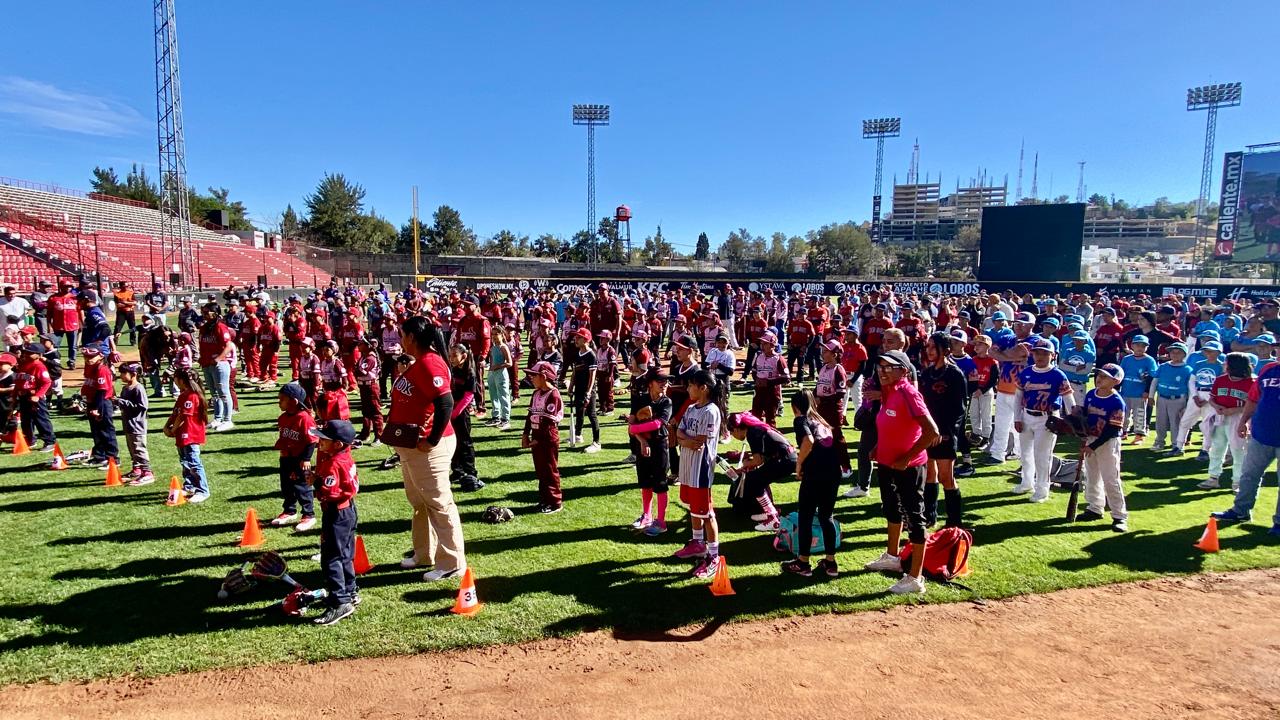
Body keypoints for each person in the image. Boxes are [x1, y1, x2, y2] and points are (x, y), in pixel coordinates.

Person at [387, 315, 466, 581]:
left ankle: (452, 563)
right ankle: (424, 553)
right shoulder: (419, 362)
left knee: (439, 503)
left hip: (430, 447)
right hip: (411, 446)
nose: (401, 339)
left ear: (411, 337)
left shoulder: (431, 363)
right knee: (420, 503)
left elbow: (445, 402)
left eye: (402, 335)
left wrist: (431, 440)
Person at [863, 349, 940, 596]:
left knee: (914, 518)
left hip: (909, 467)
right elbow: (890, 423)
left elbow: (932, 432)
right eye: (880, 366)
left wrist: (906, 458)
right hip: (887, 463)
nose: (882, 371)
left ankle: (915, 578)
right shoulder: (888, 391)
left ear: (904, 371)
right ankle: (892, 556)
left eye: (889, 367)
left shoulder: (909, 393)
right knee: (891, 509)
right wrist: (878, 446)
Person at [1212, 354, 1280, 536]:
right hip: (1261, 433)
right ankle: (1240, 511)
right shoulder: (1268, 370)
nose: (1278, 352)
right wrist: (1243, 421)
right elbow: (1253, 398)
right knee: (1249, 474)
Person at [782, 389, 841, 578]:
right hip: (833, 473)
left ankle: (803, 562)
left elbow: (808, 440)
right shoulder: (821, 421)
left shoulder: (801, 420)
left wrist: (799, 463)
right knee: (826, 516)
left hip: (816, 474)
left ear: (795, 406)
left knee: (805, 517)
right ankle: (830, 562)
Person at [672, 370, 724, 580]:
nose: (687, 389)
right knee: (694, 508)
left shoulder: (711, 411)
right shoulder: (691, 408)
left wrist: (683, 440)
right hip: (687, 466)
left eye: (691, 385)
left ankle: (714, 556)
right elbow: (679, 432)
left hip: (700, 469)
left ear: (703, 388)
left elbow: (700, 441)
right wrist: (685, 441)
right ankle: (697, 543)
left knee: (706, 513)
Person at [311, 419, 361, 626]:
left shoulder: (333, 463)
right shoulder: (345, 457)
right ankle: (350, 591)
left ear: (338, 444)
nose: (320, 441)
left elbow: (329, 493)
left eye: (324, 439)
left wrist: (315, 483)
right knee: (345, 555)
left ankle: (340, 602)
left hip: (336, 514)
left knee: (331, 558)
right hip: (348, 511)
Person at [1014, 337, 1076, 502]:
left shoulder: (1058, 375)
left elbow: (1068, 398)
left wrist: (1073, 419)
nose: (1040, 357)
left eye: (1044, 353)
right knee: (1025, 452)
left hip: (1047, 418)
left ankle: (1042, 490)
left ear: (1052, 355)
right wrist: (1017, 417)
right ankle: (1026, 482)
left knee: (1042, 455)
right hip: (1027, 415)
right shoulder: (1026, 372)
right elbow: (1018, 396)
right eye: (1037, 353)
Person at [919, 332, 967, 527]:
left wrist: (945, 433)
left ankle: (954, 521)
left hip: (945, 433)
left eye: (934, 347)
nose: (929, 350)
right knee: (930, 474)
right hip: (928, 432)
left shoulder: (954, 374)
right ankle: (929, 516)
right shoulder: (926, 373)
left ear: (945, 350)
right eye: (928, 346)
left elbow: (959, 409)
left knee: (946, 477)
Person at [1076, 363, 1129, 532]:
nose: (1099, 378)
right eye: (1099, 374)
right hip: (1091, 439)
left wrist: (1093, 446)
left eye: (1105, 376)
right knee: (1091, 475)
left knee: (1110, 479)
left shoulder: (1116, 402)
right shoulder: (1091, 394)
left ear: (1116, 381)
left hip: (1107, 442)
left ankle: (1119, 516)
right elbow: (1086, 415)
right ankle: (1095, 507)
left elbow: (1112, 429)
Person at [724, 411, 796, 530]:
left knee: (753, 482)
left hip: (784, 461)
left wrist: (746, 464)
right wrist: (743, 468)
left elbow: (758, 461)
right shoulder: (756, 429)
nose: (732, 435)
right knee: (756, 479)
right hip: (786, 458)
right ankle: (769, 512)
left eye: (731, 433)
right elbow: (760, 458)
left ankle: (772, 517)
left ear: (736, 429)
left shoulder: (753, 433)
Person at [626, 367, 673, 535]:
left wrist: (635, 429)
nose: (664, 383)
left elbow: (658, 424)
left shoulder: (666, 402)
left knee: (660, 483)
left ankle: (661, 521)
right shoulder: (640, 399)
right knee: (645, 481)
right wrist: (642, 440)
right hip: (643, 445)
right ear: (650, 383)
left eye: (666, 380)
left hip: (659, 445)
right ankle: (647, 516)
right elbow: (631, 423)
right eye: (660, 380)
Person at [1200, 352, 1254, 491]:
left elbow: (1254, 404)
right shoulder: (1220, 379)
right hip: (1220, 417)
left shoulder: (1252, 382)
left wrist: (1235, 410)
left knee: (1238, 450)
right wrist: (1216, 406)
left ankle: (1237, 482)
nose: (1224, 364)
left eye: (1226, 362)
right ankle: (1213, 477)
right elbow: (1212, 398)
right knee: (1217, 448)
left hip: (1240, 419)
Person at [271, 382, 318, 532]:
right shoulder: (283, 418)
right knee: (286, 485)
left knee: (302, 486)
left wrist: (306, 458)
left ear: (294, 401)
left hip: (300, 459)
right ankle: (289, 511)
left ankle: (308, 514)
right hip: (286, 458)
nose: (279, 402)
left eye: (282, 399)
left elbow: (312, 441)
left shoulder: (305, 419)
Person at [521, 361, 564, 512]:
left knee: (549, 469)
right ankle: (544, 499)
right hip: (536, 435)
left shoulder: (553, 395)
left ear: (544, 376)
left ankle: (555, 502)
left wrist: (538, 440)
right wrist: (525, 434)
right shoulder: (536, 393)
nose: (531, 378)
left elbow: (548, 422)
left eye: (534, 375)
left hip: (548, 436)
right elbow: (530, 415)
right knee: (540, 470)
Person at [1171, 340, 1224, 457]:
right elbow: (1192, 381)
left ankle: (1205, 449)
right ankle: (1179, 446)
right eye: (1206, 351)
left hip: (1211, 396)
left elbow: (1220, 385)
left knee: (1208, 425)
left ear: (1218, 353)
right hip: (1197, 393)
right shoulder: (1199, 364)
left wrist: (1208, 399)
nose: (1208, 353)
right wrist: (1195, 396)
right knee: (1185, 421)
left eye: (1211, 351)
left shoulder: (1221, 366)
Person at [165, 368, 209, 502]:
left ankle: (202, 491)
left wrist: (173, 430)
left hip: (190, 435)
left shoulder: (192, 396)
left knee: (193, 462)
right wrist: (167, 426)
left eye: (175, 378)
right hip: (182, 434)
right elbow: (176, 413)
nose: (174, 381)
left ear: (181, 380)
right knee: (185, 461)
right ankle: (190, 486)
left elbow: (183, 416)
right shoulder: (183, 395)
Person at [448, 345, 483, 492]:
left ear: (464, 356)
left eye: (454, 355)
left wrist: (455, 412)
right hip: (451, 411)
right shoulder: (453, 370)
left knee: (465, 443)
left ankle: (470, 472)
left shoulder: (470, 373)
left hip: (461, 414)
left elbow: (468, 396)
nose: (451, 358)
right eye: (450, 355)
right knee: (453, 443)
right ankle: (457, 470)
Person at [112, 362, 153, 485]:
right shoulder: (125, 388)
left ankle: (147, 472)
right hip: (128, 424)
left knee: (139, 449)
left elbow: (142, 406)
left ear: (133, 374)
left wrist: (121, 402)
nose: (121, 375)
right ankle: (137, 469)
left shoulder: (138, 388)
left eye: (124, 373)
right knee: (132, 448)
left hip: (137, 425)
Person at [198, 303, 235, 431]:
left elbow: (229, 346)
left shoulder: (220, 327)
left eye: (207, 312)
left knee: (223, 392)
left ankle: (227, 420)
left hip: (220, 364)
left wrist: (218, 359)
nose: (204, 314)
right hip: (206, 364)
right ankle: (217, 418)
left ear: (215, 313)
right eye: (203, 312)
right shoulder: (204, 328)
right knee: (214, 393)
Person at [79, 346, 118, 469]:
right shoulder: (90, 367)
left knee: (106, 431)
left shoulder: (102, 370)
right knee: (96, 432)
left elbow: (102, 391)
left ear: (100, 356)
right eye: (86, 357)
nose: (88, 359)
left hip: (102, 403)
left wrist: (97, 409)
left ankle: (113, 459)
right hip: (92, 403)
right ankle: (100, 456)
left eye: (91, 357)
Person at [14, 343, 56, 452]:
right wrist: (15, 394)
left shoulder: (39, 366)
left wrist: (38, 395)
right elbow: (19, 382)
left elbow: (47, 382)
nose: (26, 354)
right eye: (26, 352)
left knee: (41, 419)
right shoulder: (23, 364)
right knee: (25, 420)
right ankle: (30, 440)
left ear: (39, 355)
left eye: (30, 353)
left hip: (35, 397)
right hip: (23, 396)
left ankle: (49, 442)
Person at [1151, 342, 1192, 452]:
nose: (1175, 354)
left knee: (1176, 423)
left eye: (1178, 352)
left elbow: (1190, 388)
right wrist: (1151, 396)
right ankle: (1159, 442)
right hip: (1162, 398)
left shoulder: (1187, 369)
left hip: (1178, 399)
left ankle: (1176, 444)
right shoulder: (1163, 366)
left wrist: (1188, 404)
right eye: (1172, 352)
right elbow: (1155, 381)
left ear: (1184, 355)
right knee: (1161, 421)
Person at [1118, 335, 1157, 442]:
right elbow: (1120, 375)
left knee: (1139, 414)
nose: (1140, 348)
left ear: (1147, 347)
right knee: (1124, 414)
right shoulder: (1126, 359)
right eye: (1137, 345)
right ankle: (1123, 431)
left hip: (1140, 393)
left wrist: (1147, 391)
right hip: (1126, 391)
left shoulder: (1149, 360)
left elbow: (1152, 377)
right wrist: (1117, 388)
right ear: (1132, 346)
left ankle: (1139, 435)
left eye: (1143, 346)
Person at [568, 328, 601, 453]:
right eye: (576, 337)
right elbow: (575, 372)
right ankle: (578, 435)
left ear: (586, 339)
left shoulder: (591, 355)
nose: (575, 339)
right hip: (578, 388)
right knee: (579, 412)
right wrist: (571, 386)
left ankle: (597, 442)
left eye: (579, 337)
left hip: (588, 390)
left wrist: (589, 392)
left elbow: (592, 376)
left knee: (591, 414)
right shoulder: (577, 354)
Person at [749, 331, 788, 427]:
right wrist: (757, 380)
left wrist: (768, 382)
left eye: (765, 344)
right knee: (755, 417)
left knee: (770, 420)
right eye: (761, 343)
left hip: (772, 392)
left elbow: (786, 378)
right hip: (759, 391)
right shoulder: (758, 356)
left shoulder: (778, 359)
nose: (762, 346)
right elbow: (754, 371)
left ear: (772, 345)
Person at [354, 337, 384, 445]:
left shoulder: (370, 358)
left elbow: (360, 371)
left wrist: (356, 369)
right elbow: (356, 370)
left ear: (368, 346)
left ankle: (379, 436)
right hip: (364, 386)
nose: (358, 346)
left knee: (375, 411)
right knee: (366, 411)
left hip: (371, 386)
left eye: (361, 344)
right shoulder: (363, 357)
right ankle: (365, 434)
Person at [485, 325, 513, 431]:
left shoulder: (503, 347)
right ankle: (495, 416)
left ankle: (505, 419)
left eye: (496, 334)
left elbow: (509, 363)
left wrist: (498, 366)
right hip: (492, 374)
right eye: (492, 334)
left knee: (503, 396)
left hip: (501, 374)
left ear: (502, 334)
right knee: (493, 395)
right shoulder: (493, 347)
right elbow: (492, 361)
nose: (494, 336)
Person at [48, 280, 81, 370]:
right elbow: (49, 313)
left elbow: (79, 311)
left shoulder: (75, 298)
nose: (68, 288)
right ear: (61, 287)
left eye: (69, 287)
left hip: (73, 325)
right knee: (55, 345)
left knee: (73, 346)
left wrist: (81, 324)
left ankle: (71, 362)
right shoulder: (53, 298)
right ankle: (55, 361)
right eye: (66, 286)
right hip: (58, 326)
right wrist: (49, 325)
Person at [112, 282, 137, 346]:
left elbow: (135, 303)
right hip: (121, 313)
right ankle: (114, 341)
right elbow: (118, 305)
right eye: (125, 286)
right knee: (118, 327)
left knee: (132, 327)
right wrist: (129, 303)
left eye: (127, 286)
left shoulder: (131, 293)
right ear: (121, 286)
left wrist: (125, 302)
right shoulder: (117, 294)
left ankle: (133, 341)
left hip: (130, 312)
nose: (127, 287)